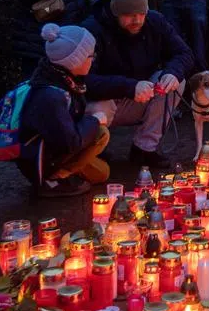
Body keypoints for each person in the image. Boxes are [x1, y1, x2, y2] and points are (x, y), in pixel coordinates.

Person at [82, 0, 194, 169]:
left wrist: (173, 73)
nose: (137, 20)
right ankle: (93, 149)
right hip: (106, 99)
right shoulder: (93, 30)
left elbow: (183, 53)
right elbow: (85, 81)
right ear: (115, 11)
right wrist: (129, 87)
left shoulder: (155, 22)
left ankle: (144, 148)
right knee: (97, 109)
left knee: (176, 82)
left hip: (141, 94)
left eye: (141, 13)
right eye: (129, 14)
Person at [14, 24, 130, 198]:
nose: (94, 59)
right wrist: (96, 120)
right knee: (101, 133)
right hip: (39, 158)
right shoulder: (51, 95)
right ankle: (53, 180)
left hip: (52, 149)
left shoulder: (62, 78)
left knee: (102, 173)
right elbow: (70, 142)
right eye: (91, 55)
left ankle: (67, 171)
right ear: (75, 60)